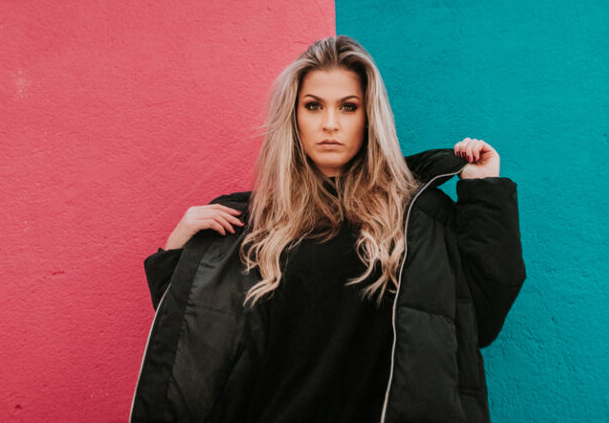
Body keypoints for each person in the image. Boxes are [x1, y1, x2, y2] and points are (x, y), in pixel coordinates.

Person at [129, 36, 524, 423]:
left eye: (348, 107)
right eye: (313, 106)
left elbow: (482, 319)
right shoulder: (254, 224)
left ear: (369, 118)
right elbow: (194, 340)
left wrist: (483, 191)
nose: (330, 124)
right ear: (294, 117)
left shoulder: (418, 217)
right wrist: (178, 247)